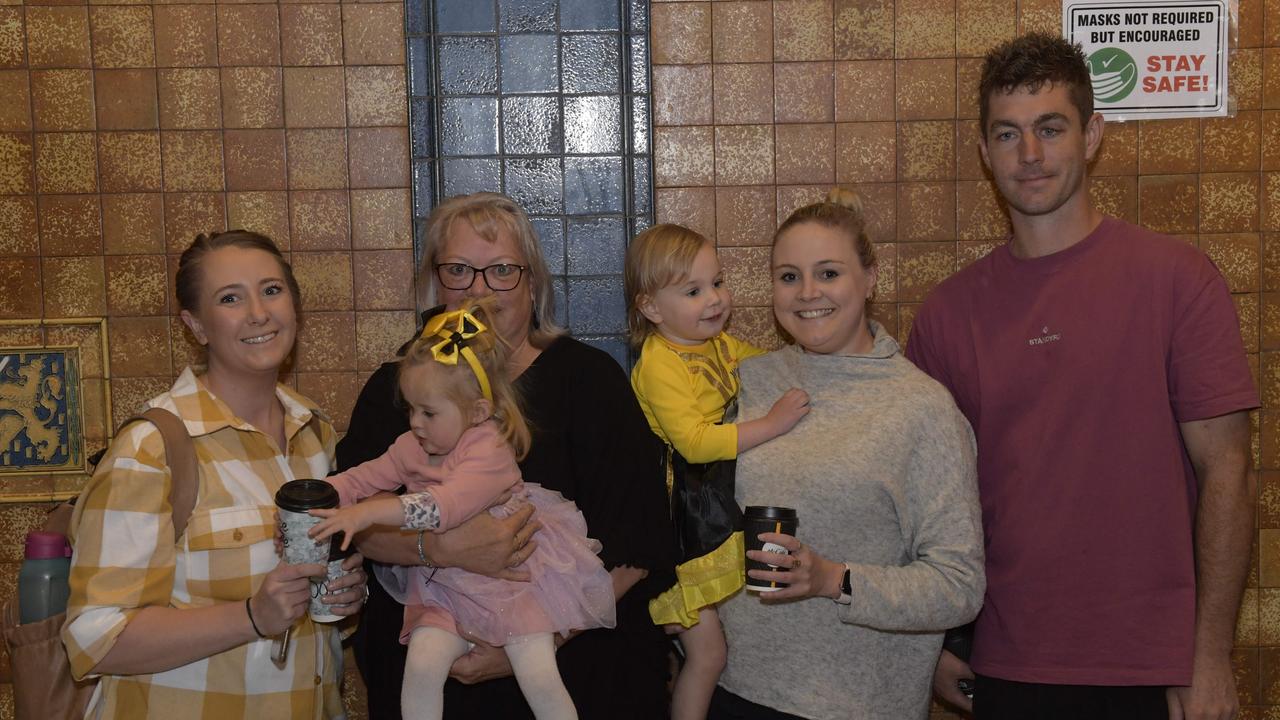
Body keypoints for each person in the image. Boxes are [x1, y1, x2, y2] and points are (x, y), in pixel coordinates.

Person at [907, 33, 1257, 720]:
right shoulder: (948, 315)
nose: (1029, 155)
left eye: (1050, 129)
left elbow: (1229, 474)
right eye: (1007, 134)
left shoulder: (1178, 281)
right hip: (1006, 663)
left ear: (1092, 134)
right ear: (983, 151)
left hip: (1154, 669)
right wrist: (940, 640)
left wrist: (1209, 654)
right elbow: (930, 499)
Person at [343, 192, 677, 719]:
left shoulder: (589, 382)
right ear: (435, 281)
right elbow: (352, 525)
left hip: (574, 671)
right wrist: (442, 548)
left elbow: (640, 544)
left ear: (533, 283)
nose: (479, 289)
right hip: (431, 674)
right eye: (459, 270)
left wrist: (529, 639)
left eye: (501, 270)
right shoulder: (394, 391)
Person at [61, 230, 369, 719]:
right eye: (230, 298)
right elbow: (95, 638)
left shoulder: (314, 433)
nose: (258, 313)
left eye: (272, 290)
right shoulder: (152, 447)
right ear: (196, 325)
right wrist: (251, 616)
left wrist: (340, 601)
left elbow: (308, 612)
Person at [711, 188, 986, 719]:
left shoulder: (921, 409)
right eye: (789, 277)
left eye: (829, 273)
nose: (808, 292)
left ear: (870, 277)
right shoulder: (750, 380)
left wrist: (832, 579)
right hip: (735, 688)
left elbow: (959, 585)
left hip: (857, 705)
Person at [310, 303, 615, 720]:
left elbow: (444, 508)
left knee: (539, 673)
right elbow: (362, 477)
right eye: (411, 409)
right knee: (420, 663)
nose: (416, 422)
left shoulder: (488, 450)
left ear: (477, 412)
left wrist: (366, 515)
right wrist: (320, 497)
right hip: (444, 587)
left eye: (429, 412)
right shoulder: (414, 444)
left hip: (513, 586)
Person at [623, 224, 809, 720]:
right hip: (676, 535)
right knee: (708, 656)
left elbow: (768, 367)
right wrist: (773, 424)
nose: (714, 299)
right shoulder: (660, 362)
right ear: (651, 309)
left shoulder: (717, 346)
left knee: (716, 653)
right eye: (693, 290)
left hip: (708, 520)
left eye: (718, 282)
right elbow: (696, 444)